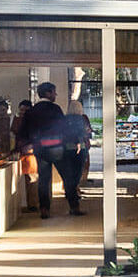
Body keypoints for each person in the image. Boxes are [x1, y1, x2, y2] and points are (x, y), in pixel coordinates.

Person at [21, 82, 80, 219]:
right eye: (54, 92)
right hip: (57, 148)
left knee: (44, 179)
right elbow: (65, 128)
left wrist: (25, 144)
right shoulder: (55, 109)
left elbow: (24, 131)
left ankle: (44, 209)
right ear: (48, 93)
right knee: (68, 177)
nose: (55, 94)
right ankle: (74, 206)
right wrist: (75, 141)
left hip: (39, 149)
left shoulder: (32, 111)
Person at [61, 111, 93, 196]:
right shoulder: (82, 118)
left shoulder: (65, 119)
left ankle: (72, 190)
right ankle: (74, 191)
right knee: (78, 170)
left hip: (68, 147)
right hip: (80, 147)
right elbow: (87, 131)